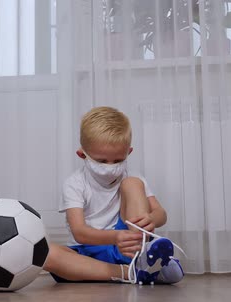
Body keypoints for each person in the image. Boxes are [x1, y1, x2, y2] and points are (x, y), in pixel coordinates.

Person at [43, 106, 184, 284]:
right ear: (82, 155)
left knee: (132, 184)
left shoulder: (132, 176)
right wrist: (115, 238)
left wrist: (152, 219)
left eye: (118, 160)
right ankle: (133, 272)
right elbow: (79, 232)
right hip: (87, 252)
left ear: (128, 153)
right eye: (102, 161)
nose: (110, 166)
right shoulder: (75, 183)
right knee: (46, 254)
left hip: (127, 247)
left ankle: (140, 257)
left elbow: (161, 214)